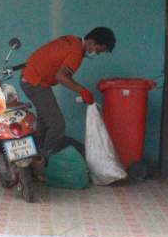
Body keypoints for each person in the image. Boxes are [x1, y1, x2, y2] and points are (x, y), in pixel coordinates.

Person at [20, 27, 116, 156]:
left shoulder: (71, 39)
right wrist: (82, 91)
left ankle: (35, 153)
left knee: (45, 121)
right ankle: (45, 159)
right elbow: (61, 76)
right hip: (34, 82)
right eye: (98, 51)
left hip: (30, 78)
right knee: (57, 125)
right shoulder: (76, 53)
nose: (96, 54)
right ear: (91, 42)